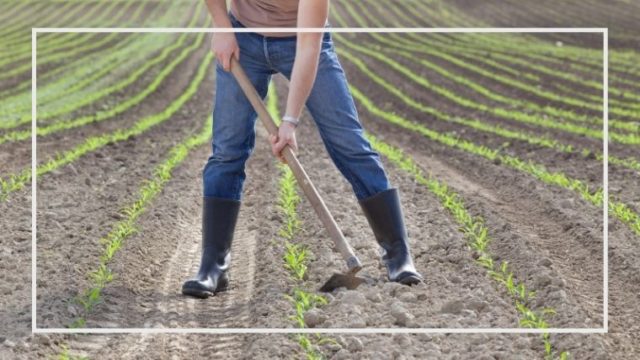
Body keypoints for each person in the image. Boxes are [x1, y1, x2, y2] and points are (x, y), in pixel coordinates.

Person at [182, 0, 423, 299]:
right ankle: (212, 267)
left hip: (302, 40)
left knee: (350, 143)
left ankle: (399, 257)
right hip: (243, 35)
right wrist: (222, 26)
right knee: (227, 150)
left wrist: (290, 122)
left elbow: (308, 47)